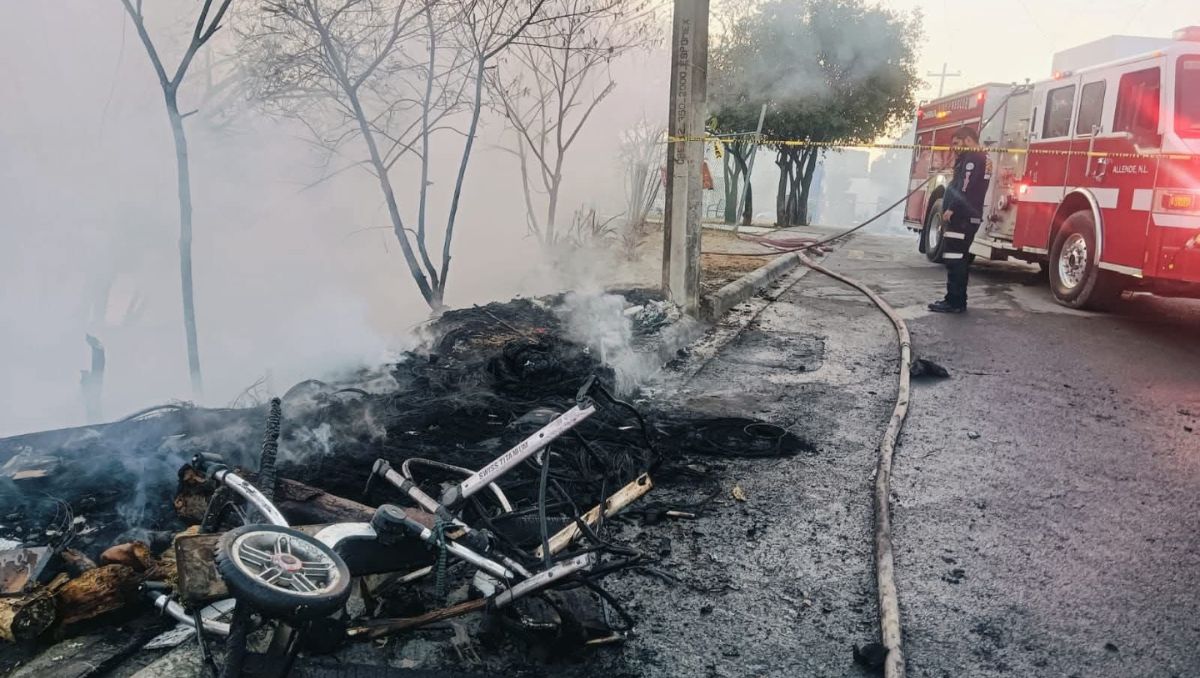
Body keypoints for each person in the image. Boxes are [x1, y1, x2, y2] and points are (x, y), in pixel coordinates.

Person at [929, 126, 989, 313]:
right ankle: (956, 300)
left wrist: (952, 208)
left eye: (957, 143)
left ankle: (954, 302)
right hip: (967, 216)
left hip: (962, 217)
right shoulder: (980, 158)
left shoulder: (972, 159)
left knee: (955, 258)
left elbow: (965, 186)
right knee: (958, 258)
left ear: (968, 140)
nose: (954, 148)